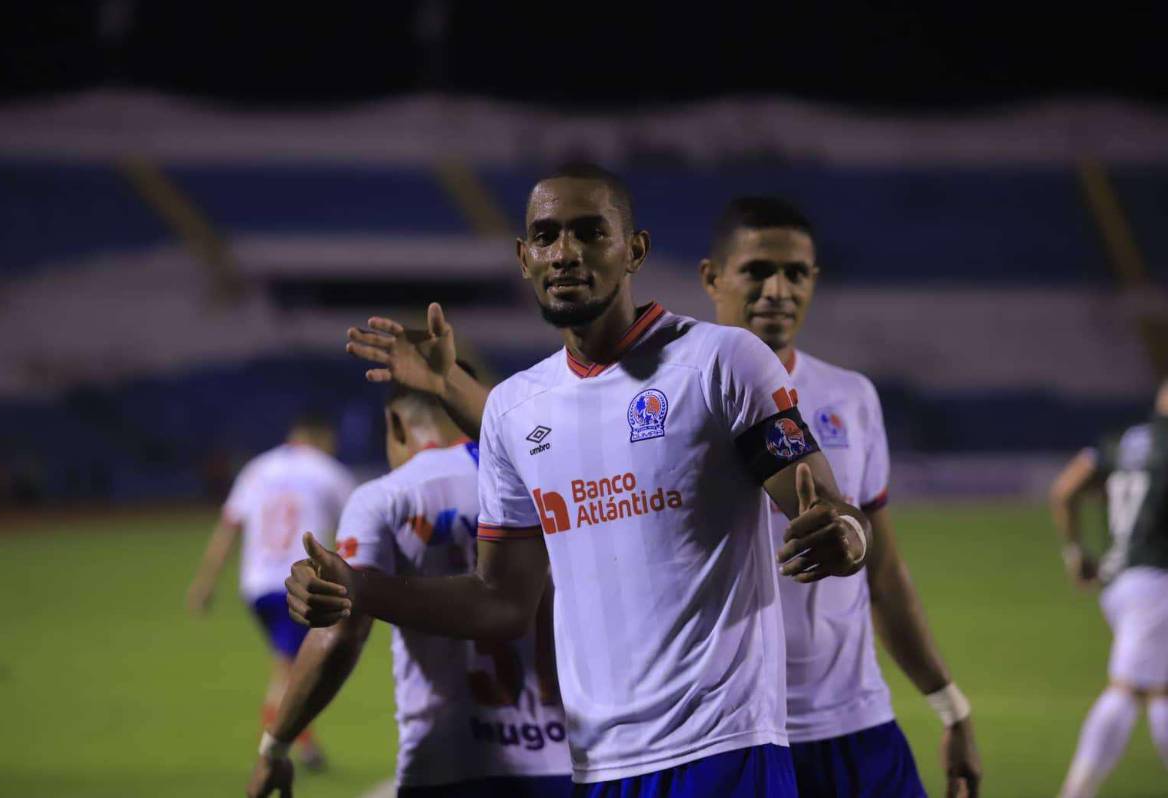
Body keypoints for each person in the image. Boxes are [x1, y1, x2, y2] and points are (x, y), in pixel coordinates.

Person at [308, 163, 872, 795]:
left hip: (725, 752)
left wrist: (846, 534)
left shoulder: (723, 361)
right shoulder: (514, 409)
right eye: (547, 237)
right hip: (600, 769)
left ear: (634, 250)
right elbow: (500, 602)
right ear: (524, 258)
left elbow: (820, 501)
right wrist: (360, 587)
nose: (566, 252)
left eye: (589, 232)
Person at [697, 196, 981, 797]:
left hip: (855, 724)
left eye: (796, 273)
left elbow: (883, 573)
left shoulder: (851, 396)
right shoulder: (670, 403)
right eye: (756, 270)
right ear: (711, 277)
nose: (778, 289)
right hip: (732, 733)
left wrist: (951, 706)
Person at [247, 374, 572, 798]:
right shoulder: (545, 479)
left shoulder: (386, 497)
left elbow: (340, 633)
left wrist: (276, 747)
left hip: (445, 764)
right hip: (568, 759)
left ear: (396, 425)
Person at [187, 411, 355, 770]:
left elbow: (229, 525)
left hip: (257, 587)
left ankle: (304, 747)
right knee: (291, 673)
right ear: (322, 437)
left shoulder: (257, 470)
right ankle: (276, 752)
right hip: (299, 585)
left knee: (289, 666)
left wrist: (205, 582)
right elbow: (357, 525)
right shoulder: (328, 471)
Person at [1050, 379, 1168, 798]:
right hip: (1158, 580)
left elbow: (1066, 489)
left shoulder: (1123, 440)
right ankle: (1077, 790)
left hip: (1119, 581)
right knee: (1130, 688)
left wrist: (1075, 553)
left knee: (1157, 688)